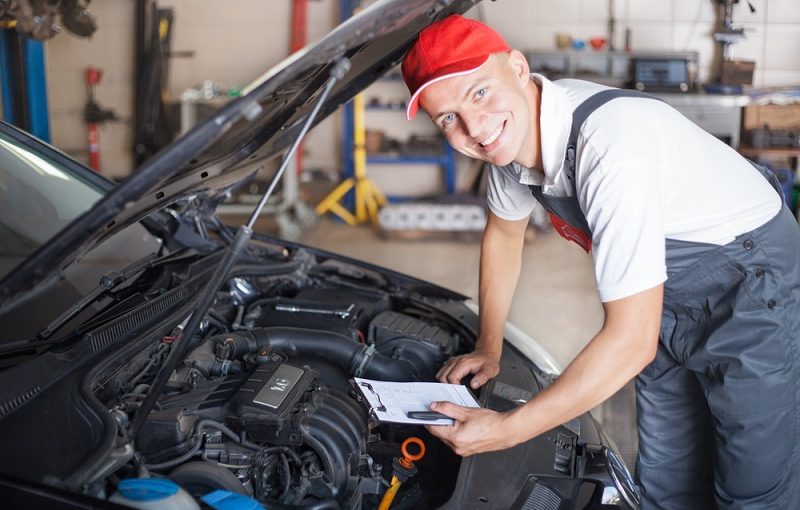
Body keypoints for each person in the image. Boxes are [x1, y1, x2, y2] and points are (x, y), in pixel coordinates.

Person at [401, 14, 800, 509]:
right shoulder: (509, 149)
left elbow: (630, 342)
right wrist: (489, 345)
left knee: (751, 477)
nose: (474, 128)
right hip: (667, 291)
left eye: (479, 93)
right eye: (447, 118)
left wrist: (507, 430)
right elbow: (504, 236)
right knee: (669, 470)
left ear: (518, 68)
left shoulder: (608, 146)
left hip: (748, 278)